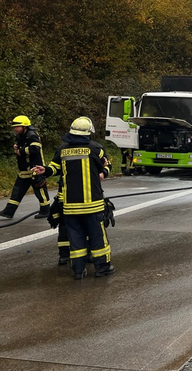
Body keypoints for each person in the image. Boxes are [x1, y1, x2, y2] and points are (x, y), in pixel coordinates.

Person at [33, 117, 115, 280]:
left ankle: (78, 270)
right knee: (98, 237)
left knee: (75, 238)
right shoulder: (95, 149)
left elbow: (55, 168)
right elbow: (105, 165)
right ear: (88, 133)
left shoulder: (62, 150)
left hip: (70, 206)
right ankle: (102, 268)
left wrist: (45, 170)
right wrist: (104, 171)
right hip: (93, 205)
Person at [0, 116, 50, 220]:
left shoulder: (32, 135)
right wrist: (16, 147)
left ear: (25, 126)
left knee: (40, 191)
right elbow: (21, 148)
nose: (15, 129)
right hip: (24, 171)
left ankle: (45, 210)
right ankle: (8, 211)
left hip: (35, 170)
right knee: (17, 191)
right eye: (14, 127)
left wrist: (21, 151)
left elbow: (35, 149)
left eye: (17, 126)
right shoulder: (21, 136)